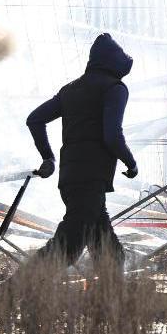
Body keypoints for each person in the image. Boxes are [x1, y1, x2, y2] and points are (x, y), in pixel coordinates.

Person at [26, 32, 138, 270]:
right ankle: (11, 291)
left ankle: (109, 304)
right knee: (66, 248)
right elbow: (112, 135)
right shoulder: (115, 88)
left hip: (71, 179)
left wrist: (48, 157)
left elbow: (34, 120)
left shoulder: (70, 89)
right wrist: (130, 162)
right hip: (91, 179)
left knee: (109, 255)